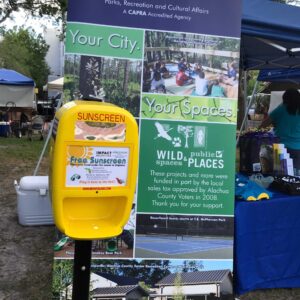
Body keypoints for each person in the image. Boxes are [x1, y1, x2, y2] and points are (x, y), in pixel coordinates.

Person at [260, 88, 300, 171]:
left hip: (280, 147)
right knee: (296, 174)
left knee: (279, 173)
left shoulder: (280, 109)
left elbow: (263, 125)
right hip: (298, 148)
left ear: (285, 98)